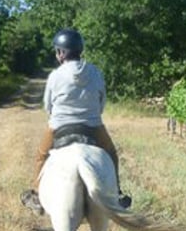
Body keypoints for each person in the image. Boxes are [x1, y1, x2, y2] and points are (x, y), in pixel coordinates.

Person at [21, 28, 132, 215]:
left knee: (41, 155)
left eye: (57, 50)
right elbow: (101, 101)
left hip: (59, 126)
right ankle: (117, 193)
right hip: (93, 126)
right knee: (112, 154)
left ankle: (38, 195)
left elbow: (48, 106)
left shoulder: (55, 76)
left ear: (61, 53)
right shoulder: (95, 72)